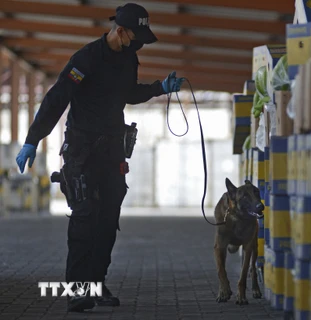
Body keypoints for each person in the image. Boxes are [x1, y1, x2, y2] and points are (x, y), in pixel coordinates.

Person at [15, 3, 185, 312]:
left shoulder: (128, 59)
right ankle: (78, 290)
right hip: (81, 152)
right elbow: (57, 99)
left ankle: (95, 282)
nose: (139, 45)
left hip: (112, 152)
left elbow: (128, 93)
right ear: (120, 31)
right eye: (136, 38)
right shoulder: (86, 60)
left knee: (107, 220)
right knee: (84, 218)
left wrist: (159, 88)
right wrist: (32, 140)